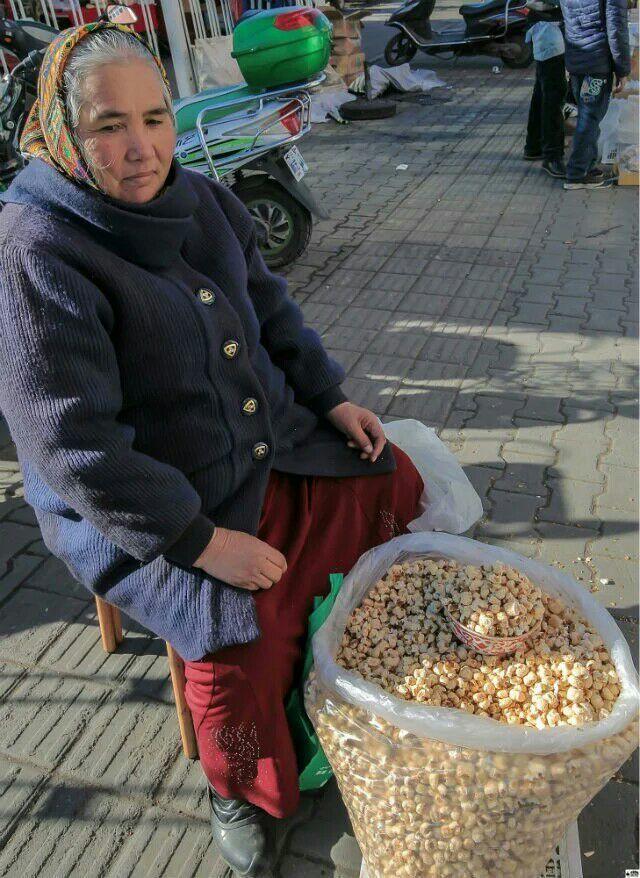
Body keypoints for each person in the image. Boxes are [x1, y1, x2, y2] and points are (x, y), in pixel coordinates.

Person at [0, 22, 424, 878]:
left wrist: (331, 398)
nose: (142, 148)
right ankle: (240, 790)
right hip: (151, 507)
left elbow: (272, 311)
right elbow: (73, 448)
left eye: (155, 118)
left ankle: (346, 657)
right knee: (237, 642)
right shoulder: (36, 249)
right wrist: (200, 543)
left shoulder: (201, 198)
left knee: (390, 477)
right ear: (63, 134)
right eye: (109, 125)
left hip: (267, 442)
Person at [559, 0, 631, 188]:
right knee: (589, 119)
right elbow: (616, 27)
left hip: (577, 58)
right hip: (596, 62)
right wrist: (622, 70)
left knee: (586, 117)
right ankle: (577, 173)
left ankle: (586, 167)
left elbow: (567, 18)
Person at [524, 0, 568, 179]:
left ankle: (534, 145)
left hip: (548, 24)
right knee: (554, 92)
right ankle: (552, 155)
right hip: (549, 26)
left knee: (543, 89)